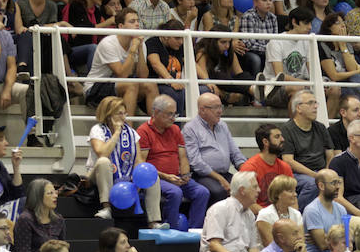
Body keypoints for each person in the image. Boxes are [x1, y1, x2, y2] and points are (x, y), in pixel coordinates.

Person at [85, 96, 163, 226]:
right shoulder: (98, 130)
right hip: (97, 174)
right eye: (119, 113)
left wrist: (137, 180)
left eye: (124, 113)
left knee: (152, 176)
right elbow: (102, 153)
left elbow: (138, 160)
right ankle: (106, 208)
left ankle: (154, 222)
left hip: (125, 176)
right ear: (108, 115)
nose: (123, 117)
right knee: (104, 161)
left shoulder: (131, 132)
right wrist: (116, 133)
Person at [136, 95, 208, 230]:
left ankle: (194, 230)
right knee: (175, 193)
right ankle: (171, 230)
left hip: (177, 176)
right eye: (169, 114)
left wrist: (186, 175)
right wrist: (167, 176)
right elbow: (142, 165)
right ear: (156, 112)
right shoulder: (143, 131)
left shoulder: (175, 129)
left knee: (202, 192)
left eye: (175, 114)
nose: (173, 118)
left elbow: (183, 157)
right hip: (157, 178)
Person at [182, 92, 247, 206]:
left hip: (224, 173)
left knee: (247, 186)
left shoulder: (222, 125)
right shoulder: (190, 129)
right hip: (203, 175)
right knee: (219, 191)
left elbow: (235, 153)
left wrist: (247, 171)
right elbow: (196, 162)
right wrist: (220, 179)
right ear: (202, 110)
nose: (220, 111)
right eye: (215, 107)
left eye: (220, 106)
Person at [279, 90, 333, 209]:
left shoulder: (321, 127)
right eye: (310, 103)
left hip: (320, 171)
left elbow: (330, 154)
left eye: (315, 103)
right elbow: (288, 160)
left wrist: (327, 172)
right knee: (314, 184)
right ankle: (298, 215)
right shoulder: (287, 129)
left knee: (338, 181)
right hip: (297, 174)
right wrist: (316, 175)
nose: (315, 107)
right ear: (298, 108)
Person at [240, 123, 293, 209]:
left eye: (281, 136)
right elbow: (247, 202)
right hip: (258, 216)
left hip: (281, 215)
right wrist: (270, 216)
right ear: (265, 142)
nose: (282, 139)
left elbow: (293, 198)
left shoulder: (285, 167)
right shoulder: (249, 168)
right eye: (277, 137)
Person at [13, 179, 65, 252]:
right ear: (38, 196)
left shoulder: (58, 219)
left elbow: (63, 247)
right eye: (50, 193)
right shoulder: (26, 219)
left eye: (55, 192)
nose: (55, 196)